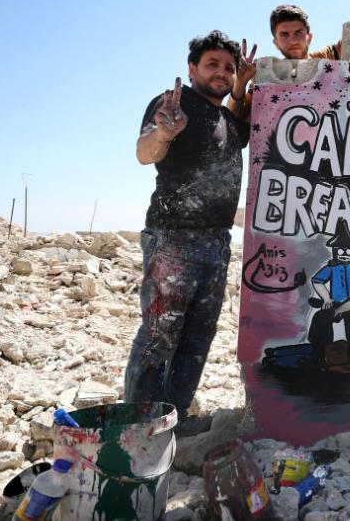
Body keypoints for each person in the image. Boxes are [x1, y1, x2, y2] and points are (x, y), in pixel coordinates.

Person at [125, 30, 256, 435]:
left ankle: (174, 420)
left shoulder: (228, 120)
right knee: (160, 335)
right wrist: (163, 132)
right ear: (192, 68)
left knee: (198, 336)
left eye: (229, 68)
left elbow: (241, 119)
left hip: (217, 242)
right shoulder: (174, 104)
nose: (221, 72)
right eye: (212, 64)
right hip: (174, 239)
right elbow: (144, 153)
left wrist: (243, 87)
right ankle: (139, 427)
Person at [229, 4, 342, 115]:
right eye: (284, 34)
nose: (293, 41)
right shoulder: (265, 78)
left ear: (309, 37)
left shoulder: (329, 57)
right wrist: (239, 84)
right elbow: (236, 117)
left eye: (298, 32)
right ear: (276, 43)